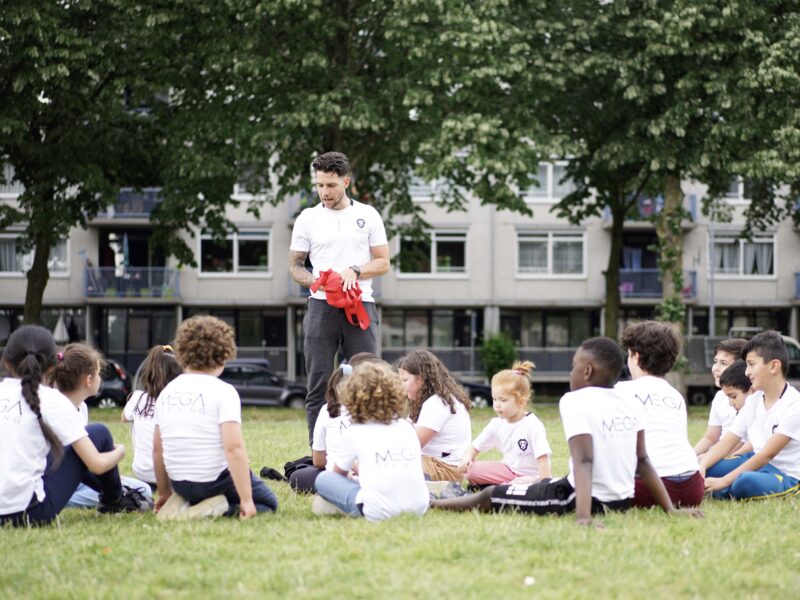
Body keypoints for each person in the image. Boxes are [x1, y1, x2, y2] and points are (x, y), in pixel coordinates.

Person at [432, 337, 704, 526]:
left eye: (574, 365)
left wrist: (583, 516)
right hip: (619, 500)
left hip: (577, 498)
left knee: (493, 496)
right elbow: (643, 460)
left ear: (587, 371)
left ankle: (432, 505)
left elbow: (584, 460)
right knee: (539, 484)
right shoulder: (628, 401)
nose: (571, 370)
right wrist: (671, 510)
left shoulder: (575, 400)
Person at [0, 325, 148, 527]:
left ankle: (116, 497)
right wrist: (120, 451)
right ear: (52, 366)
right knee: (99, 433)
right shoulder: (53, 401)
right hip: (30, 512)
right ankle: (114, 500)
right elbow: (96, 463)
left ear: (7, 362)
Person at [289, 151, 390, 443]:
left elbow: (383, 263)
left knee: (369, 380)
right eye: (319, 185)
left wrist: (355, 270)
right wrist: (318, 281)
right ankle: (317, 454)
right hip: (321, 308)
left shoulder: (367, 215)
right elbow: (296, 265)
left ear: (345, 181)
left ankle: (369, 447)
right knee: (318, 383)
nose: (324, 192)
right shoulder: (307, 218)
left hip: (361, 305)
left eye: (330, 185)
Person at [153, 315, 278, 520]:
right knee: (267, 503)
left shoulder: (167, 392)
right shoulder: (224, 392)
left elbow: (158, 450)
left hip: (180, 483)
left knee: (198, 489)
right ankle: (204, 510)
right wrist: (246, 500)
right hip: (212, 481)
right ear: (224, 354)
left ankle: (184, 503)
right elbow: (234, 448)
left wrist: (165, 493)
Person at [313, 361, 429, 521]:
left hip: (378, 510)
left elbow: (337, 475)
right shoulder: (406, 427)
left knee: (324, 479)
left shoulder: (354, 431)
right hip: (419, 506)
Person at [49, 343, 152, 509]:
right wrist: (118, 451)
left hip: (80, 478)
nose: (100, 379)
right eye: (98, 374)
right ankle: (71, 499)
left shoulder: (81, 407)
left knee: (144, 489)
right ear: (88, 380)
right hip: (58, 480)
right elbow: (92, 462)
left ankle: (100, 495)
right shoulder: (56, 408)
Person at [701, 331, 800, 499]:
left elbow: (766, 455)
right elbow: (727, 442)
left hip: (785, 474)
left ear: (774, 366)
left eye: (751, 364)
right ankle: (722, 487)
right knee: (710, 467)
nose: (746, 372)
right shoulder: (753, 401)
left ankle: (723, 489)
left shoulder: (794, 405)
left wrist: (724, 481)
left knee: (745, 482)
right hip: (756, 462)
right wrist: (701, 467)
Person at [615, 321, 703, 508]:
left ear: (636, 356)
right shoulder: (675, 396)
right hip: (693, 487)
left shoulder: (620, 391)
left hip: (650, 488)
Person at [289, 352, 379, 493]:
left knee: (299, 476)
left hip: (340, 477)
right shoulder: (385, 411)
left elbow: (318, 461)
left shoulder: (327, 410)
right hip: (377, 476)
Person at [459, 360, 552, 485]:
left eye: (503, 400)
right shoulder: (496, 424)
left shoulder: (533, 425)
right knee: (469, 471)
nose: (497, 405)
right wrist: (467, 458)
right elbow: (473, 447)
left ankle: (514, 485)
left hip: (532, 476)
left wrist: (544, 485)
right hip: (508, 471)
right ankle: (510, 485)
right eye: (494, 399)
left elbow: (543, 459)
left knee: (530, 482)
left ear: (521, 402)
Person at [396, 349, 472, 481]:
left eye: (405, 380)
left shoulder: (436, 403)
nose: (400, 386)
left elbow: (411, 445)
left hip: (446, 469)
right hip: (434, 464)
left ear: (421, 378)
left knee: (391, 462)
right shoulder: (426, 401)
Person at [121, 344, 183, 489]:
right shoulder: (179, 402)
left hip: (142, 474)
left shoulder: (137, 398)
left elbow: (124, 418)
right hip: (172, 476)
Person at [693, 338, 748, 456]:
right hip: (717, 453)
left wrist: (708, 458)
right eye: (715, 361)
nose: (716, 369)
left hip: (734, 456)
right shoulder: (719, 397)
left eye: (723, 363)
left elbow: (740, 442)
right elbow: (710, 438)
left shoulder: (747, 397)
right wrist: (690, 457)